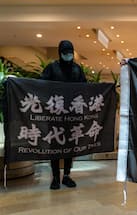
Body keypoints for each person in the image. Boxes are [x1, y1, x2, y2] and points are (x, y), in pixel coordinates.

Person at [41, 40, 87, 190]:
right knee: (55, 147)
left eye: (70, 53)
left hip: (72, 115)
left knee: (69, 147)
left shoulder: (77, 69)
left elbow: (85, 88)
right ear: (60, 53)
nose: (68, 55)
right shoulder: (51, 68)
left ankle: (66, 175)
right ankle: (55, 177)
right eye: (65, 53)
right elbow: (40, 86)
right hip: (55, 115)